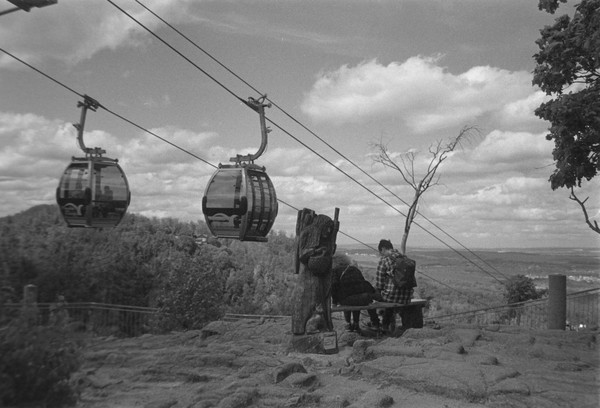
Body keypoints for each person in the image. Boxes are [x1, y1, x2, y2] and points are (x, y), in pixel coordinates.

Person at [331, 253, 382, 333]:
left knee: (346, 298)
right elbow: (364, 284)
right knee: (356, 297)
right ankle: (357, 323)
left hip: (347, 299)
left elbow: (334, 286)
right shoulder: (354, 269)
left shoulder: (335, 271)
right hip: (363, 298)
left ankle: (348, 324)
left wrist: (334, 302)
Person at [375, 239, 414, 333]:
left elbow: (379, 284)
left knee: (377, 296)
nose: (380, 254)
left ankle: (381, 325)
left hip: (392, 297)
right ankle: (394, 326)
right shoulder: (404, 258)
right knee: (391, 299)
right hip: (407, 297)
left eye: (380, 252)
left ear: (383, 249)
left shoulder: (384, 260)